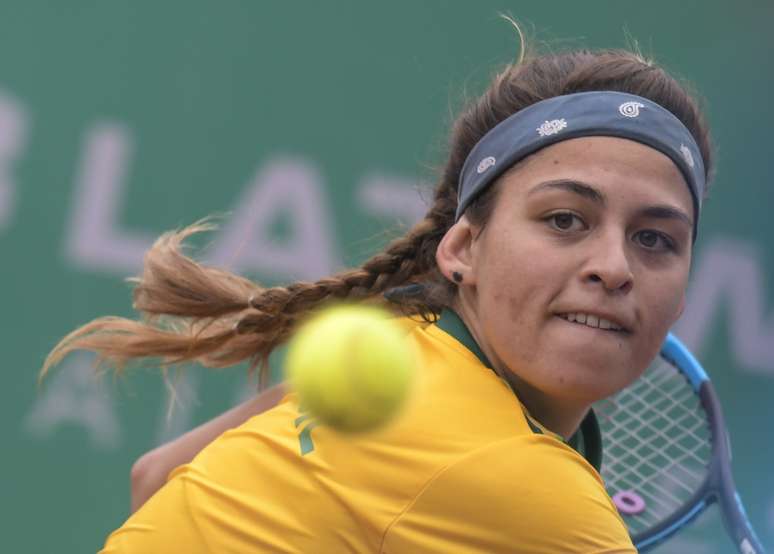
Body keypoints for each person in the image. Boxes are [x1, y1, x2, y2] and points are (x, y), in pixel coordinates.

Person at [43, 37, 712, 553]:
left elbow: (156, 477)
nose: (614, 266)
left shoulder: (398, 352)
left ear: (681, 295)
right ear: (462, 249)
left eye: (656, 240)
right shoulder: (529, 490)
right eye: (565, 220)